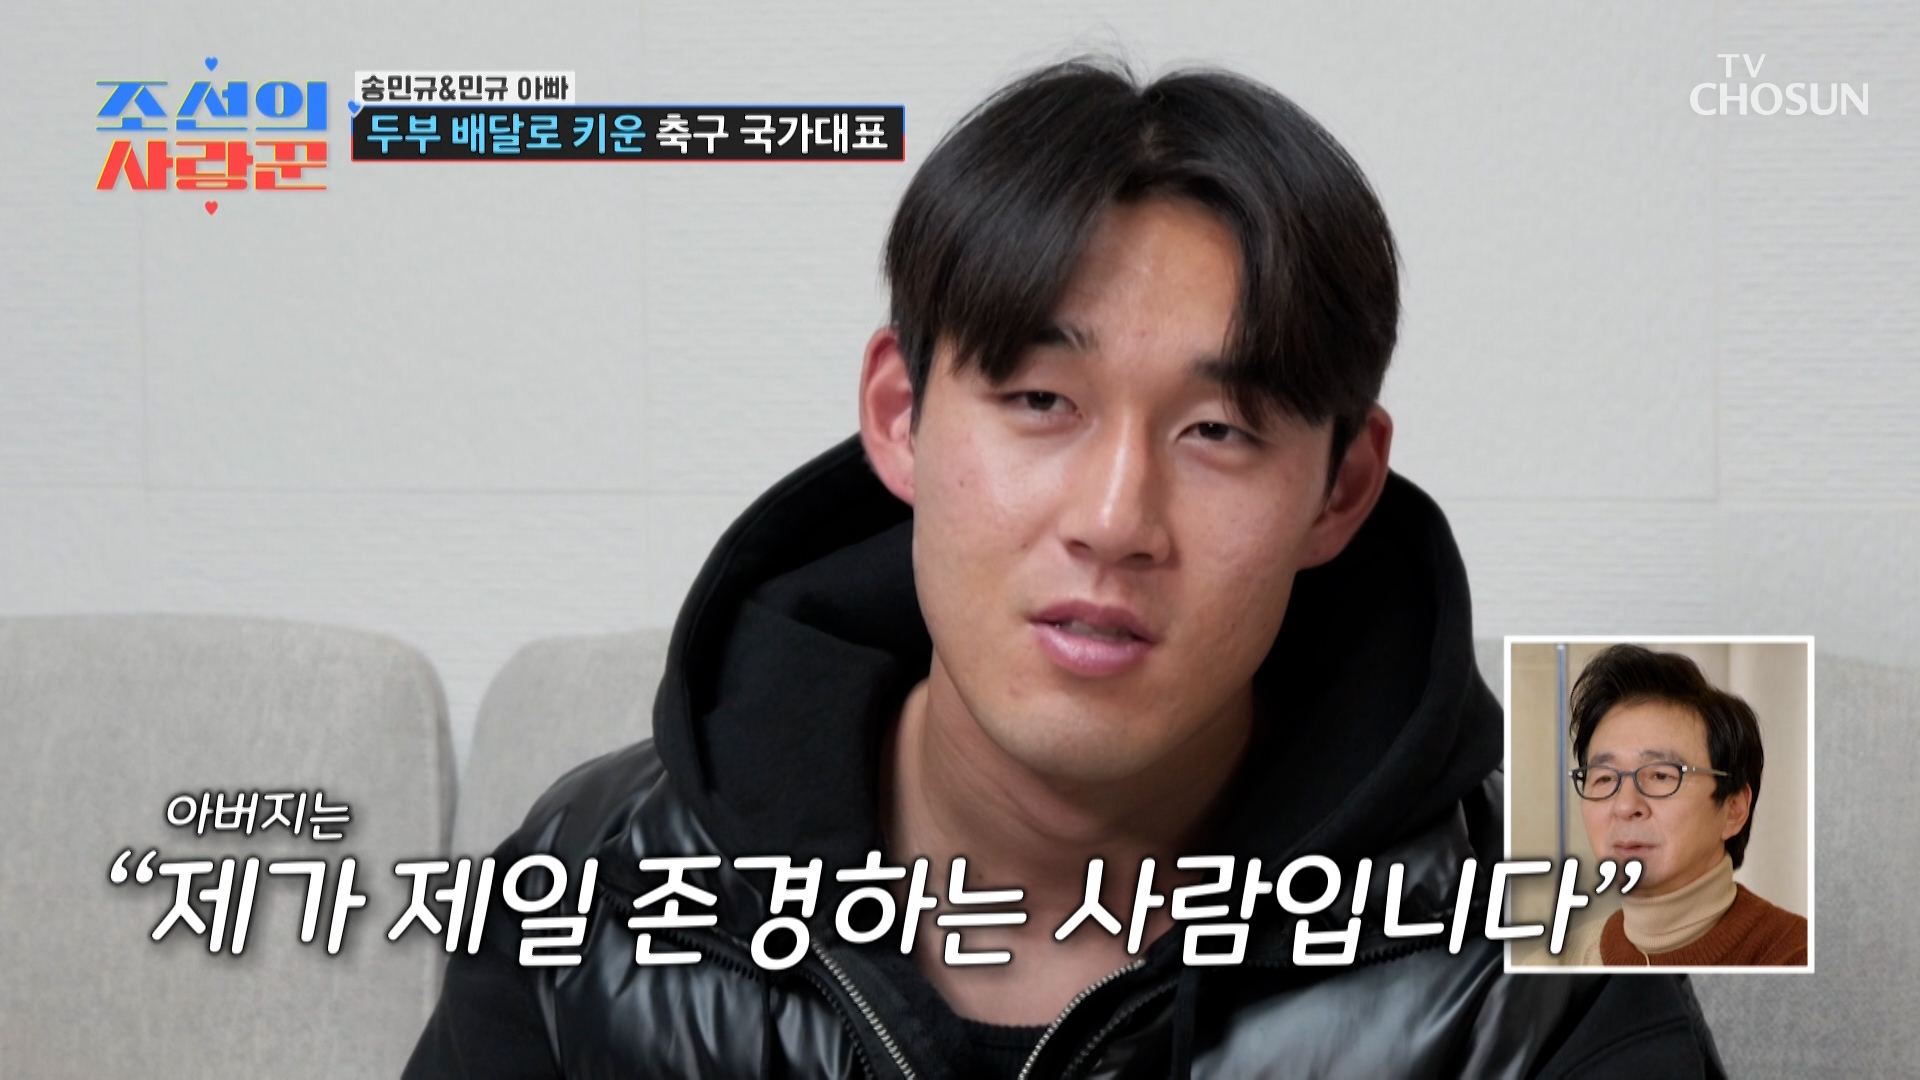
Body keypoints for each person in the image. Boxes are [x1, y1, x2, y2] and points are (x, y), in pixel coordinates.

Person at [404, 58, 1725, 1077]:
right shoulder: (592, 892)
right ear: (900, 416)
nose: (1114, 518)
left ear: (1341, 490)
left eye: (1218, 431)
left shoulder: (1548, 959)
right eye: (1042, 401)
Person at [1563, 645, 1808, 967]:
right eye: (1604, 778)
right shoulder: (1556, 965)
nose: (1625, 806)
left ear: (1733, 810)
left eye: (1661, 776)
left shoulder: (1796, 956)